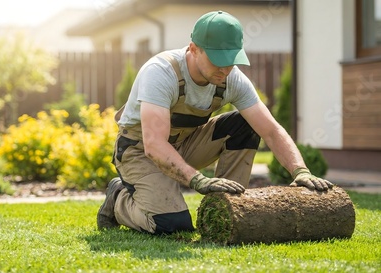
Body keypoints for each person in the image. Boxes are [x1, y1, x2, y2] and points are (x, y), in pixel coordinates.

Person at [97, 10, 333, 235]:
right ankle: (118, 199)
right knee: (171, 224)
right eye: (217, 60)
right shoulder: (160, 72)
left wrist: (300, 171)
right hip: (140, 151)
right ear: (194, 49)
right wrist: (197, 180)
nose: (224, 69)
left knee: (245, 124)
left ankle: (228, 206)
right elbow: (154, 144)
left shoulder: (232, 79)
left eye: (230, 61)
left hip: (185, 145)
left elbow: (271, 130)